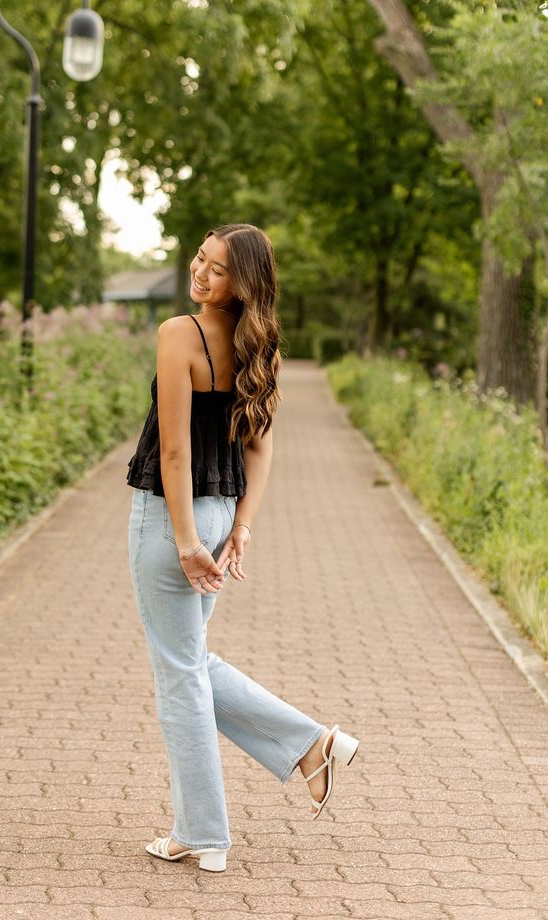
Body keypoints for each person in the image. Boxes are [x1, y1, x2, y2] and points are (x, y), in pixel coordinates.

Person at [126, 223, 360, 873]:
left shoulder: (180, 335)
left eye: (218, 268)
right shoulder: (261, 345)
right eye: (200, 259)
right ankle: (312, 744)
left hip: (171, 515)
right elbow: (259, 446)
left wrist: (183, 541)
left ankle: (201, 831)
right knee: (191, 661)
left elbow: (174, 450)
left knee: (178, 676)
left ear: (243, 284)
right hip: (222, 510)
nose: (200, 273)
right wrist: (240, 526)